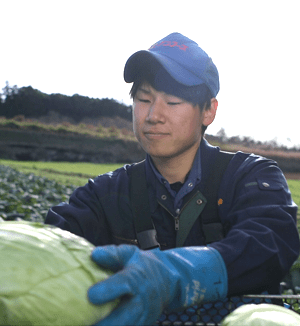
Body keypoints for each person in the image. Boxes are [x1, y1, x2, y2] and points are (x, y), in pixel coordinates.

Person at [45, 32, 299, 325]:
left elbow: (270, 244)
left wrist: (174, 274)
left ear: (208, 111)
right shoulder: (103, 194)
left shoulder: (250, 176)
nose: (153, 115)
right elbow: (53, 243)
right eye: (144, 99)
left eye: (173, 102)